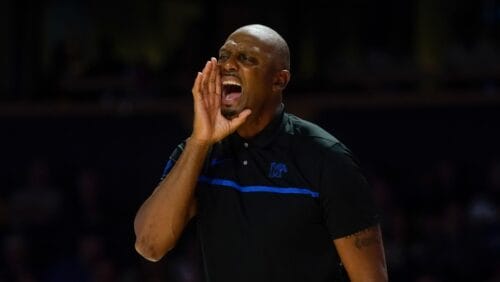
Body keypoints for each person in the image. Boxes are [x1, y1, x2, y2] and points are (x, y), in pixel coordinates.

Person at [134, 24, 388, 281]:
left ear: (279, 80)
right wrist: (199, 142)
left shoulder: (326, 158)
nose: (228, 65)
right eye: (224, 56)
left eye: (246, 58)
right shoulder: (197, 153)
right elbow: (149, 245)